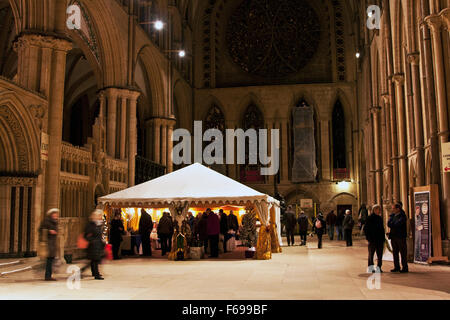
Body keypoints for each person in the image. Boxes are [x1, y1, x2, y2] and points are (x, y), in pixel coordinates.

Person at [82, 210, 106, 280]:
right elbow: (86, 235)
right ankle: (96, 274)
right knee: (95, 260)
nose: (101, 217)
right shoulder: (91, 225)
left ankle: (95, 273)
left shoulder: (98, 224)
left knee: (94, 260)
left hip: (97, 245)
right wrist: (92, 241)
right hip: (93, 246)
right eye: (99, 216)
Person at [39, 208, 59, 281]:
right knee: (49, 260)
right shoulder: (47, 221)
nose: (56, 215)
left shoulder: (55, 222)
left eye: (56, 214)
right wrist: (49, 231)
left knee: (51, 260)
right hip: (48, 243)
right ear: (51, 214)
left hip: (53, 243)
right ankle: (47, 276)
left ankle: (49, 275)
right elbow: (41, 229)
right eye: (54, 214)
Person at [388, 202, 408, 273]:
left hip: (400, 236)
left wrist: (393, 224)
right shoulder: (392, 215)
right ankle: (396, 267)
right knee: (395, 252)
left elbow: (398, 224)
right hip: (393, 236)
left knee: (403, 253)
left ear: (398, 209)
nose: (392, 210)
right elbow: (388, 224)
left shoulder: (403, 216)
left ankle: (405, 267)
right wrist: (393, 224)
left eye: (394, 208)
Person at [364, 204, 385, 272]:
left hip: (379, 240)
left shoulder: (380, 218)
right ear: (375, 210)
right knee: (371, 254)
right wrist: (368, 238)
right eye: (379, 209)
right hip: (372, 239)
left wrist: (383, 238)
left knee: (379, 255)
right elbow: (366, 229)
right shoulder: (369, 218)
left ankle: (379, 267)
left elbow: (382, 229)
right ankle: (371, 267)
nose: (380, 211)